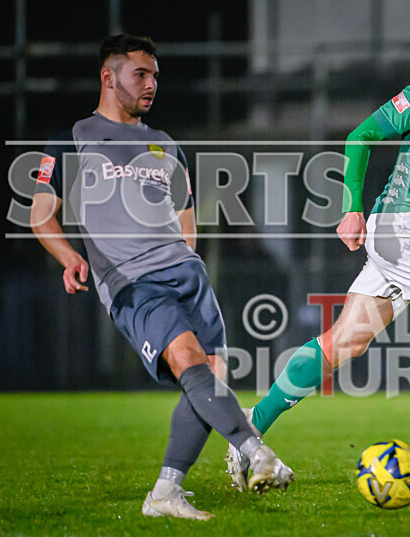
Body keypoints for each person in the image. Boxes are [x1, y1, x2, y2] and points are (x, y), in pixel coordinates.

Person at [227, 13, 410, 491]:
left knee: (345, 342)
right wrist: (352, 208)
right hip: (402, 226)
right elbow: (360, 137)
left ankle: (250, 425)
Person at [30, 34, 293, 520]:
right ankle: (257, 453)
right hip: (133, 282)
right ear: (109, 77)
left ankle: (166, 493)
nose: (151, 84)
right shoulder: (71, 140)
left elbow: (186, 222)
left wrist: (185, 262)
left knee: (208, 377)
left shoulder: (167, 145)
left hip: (187, 274)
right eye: (140, 75)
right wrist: (68, 256)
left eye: (154, 76)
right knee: (189, 360)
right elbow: (40, 215)